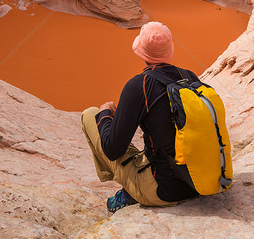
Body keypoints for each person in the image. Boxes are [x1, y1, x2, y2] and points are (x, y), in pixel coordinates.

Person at [81, 21, 200, 212]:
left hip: (165, 191)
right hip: (200, 181)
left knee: (90, 115)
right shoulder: (189, 77)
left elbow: (113, 149)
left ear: (140, 52)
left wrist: (105, 113)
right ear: (169, 50)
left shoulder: (139, 85)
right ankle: (134, 184)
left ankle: (131, 189)